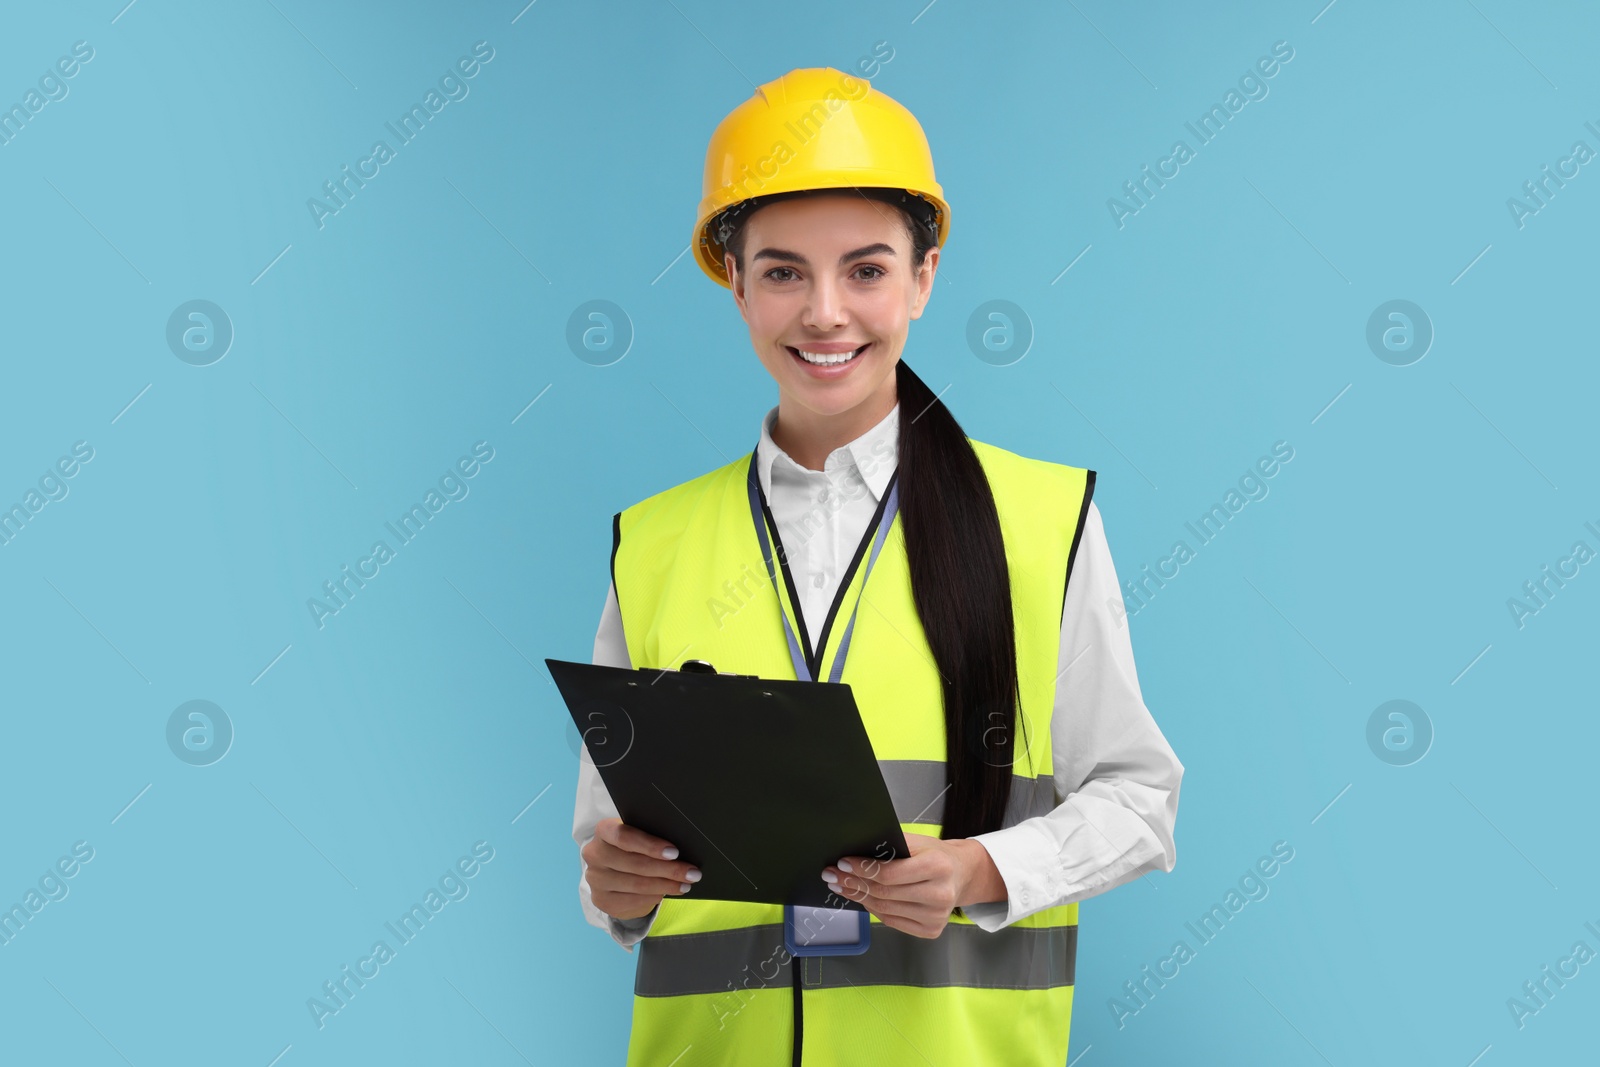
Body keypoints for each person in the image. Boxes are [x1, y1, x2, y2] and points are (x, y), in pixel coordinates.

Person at [571, 66, 1183, 1067]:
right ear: (734, 283)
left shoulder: (1040, 519)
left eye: (864, 269)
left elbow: (1138, 797)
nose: (823, 312)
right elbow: (608, 851)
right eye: (780, 271)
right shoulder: (655, 540)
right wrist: (614, 890)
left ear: (923, 276)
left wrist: (984, 866)